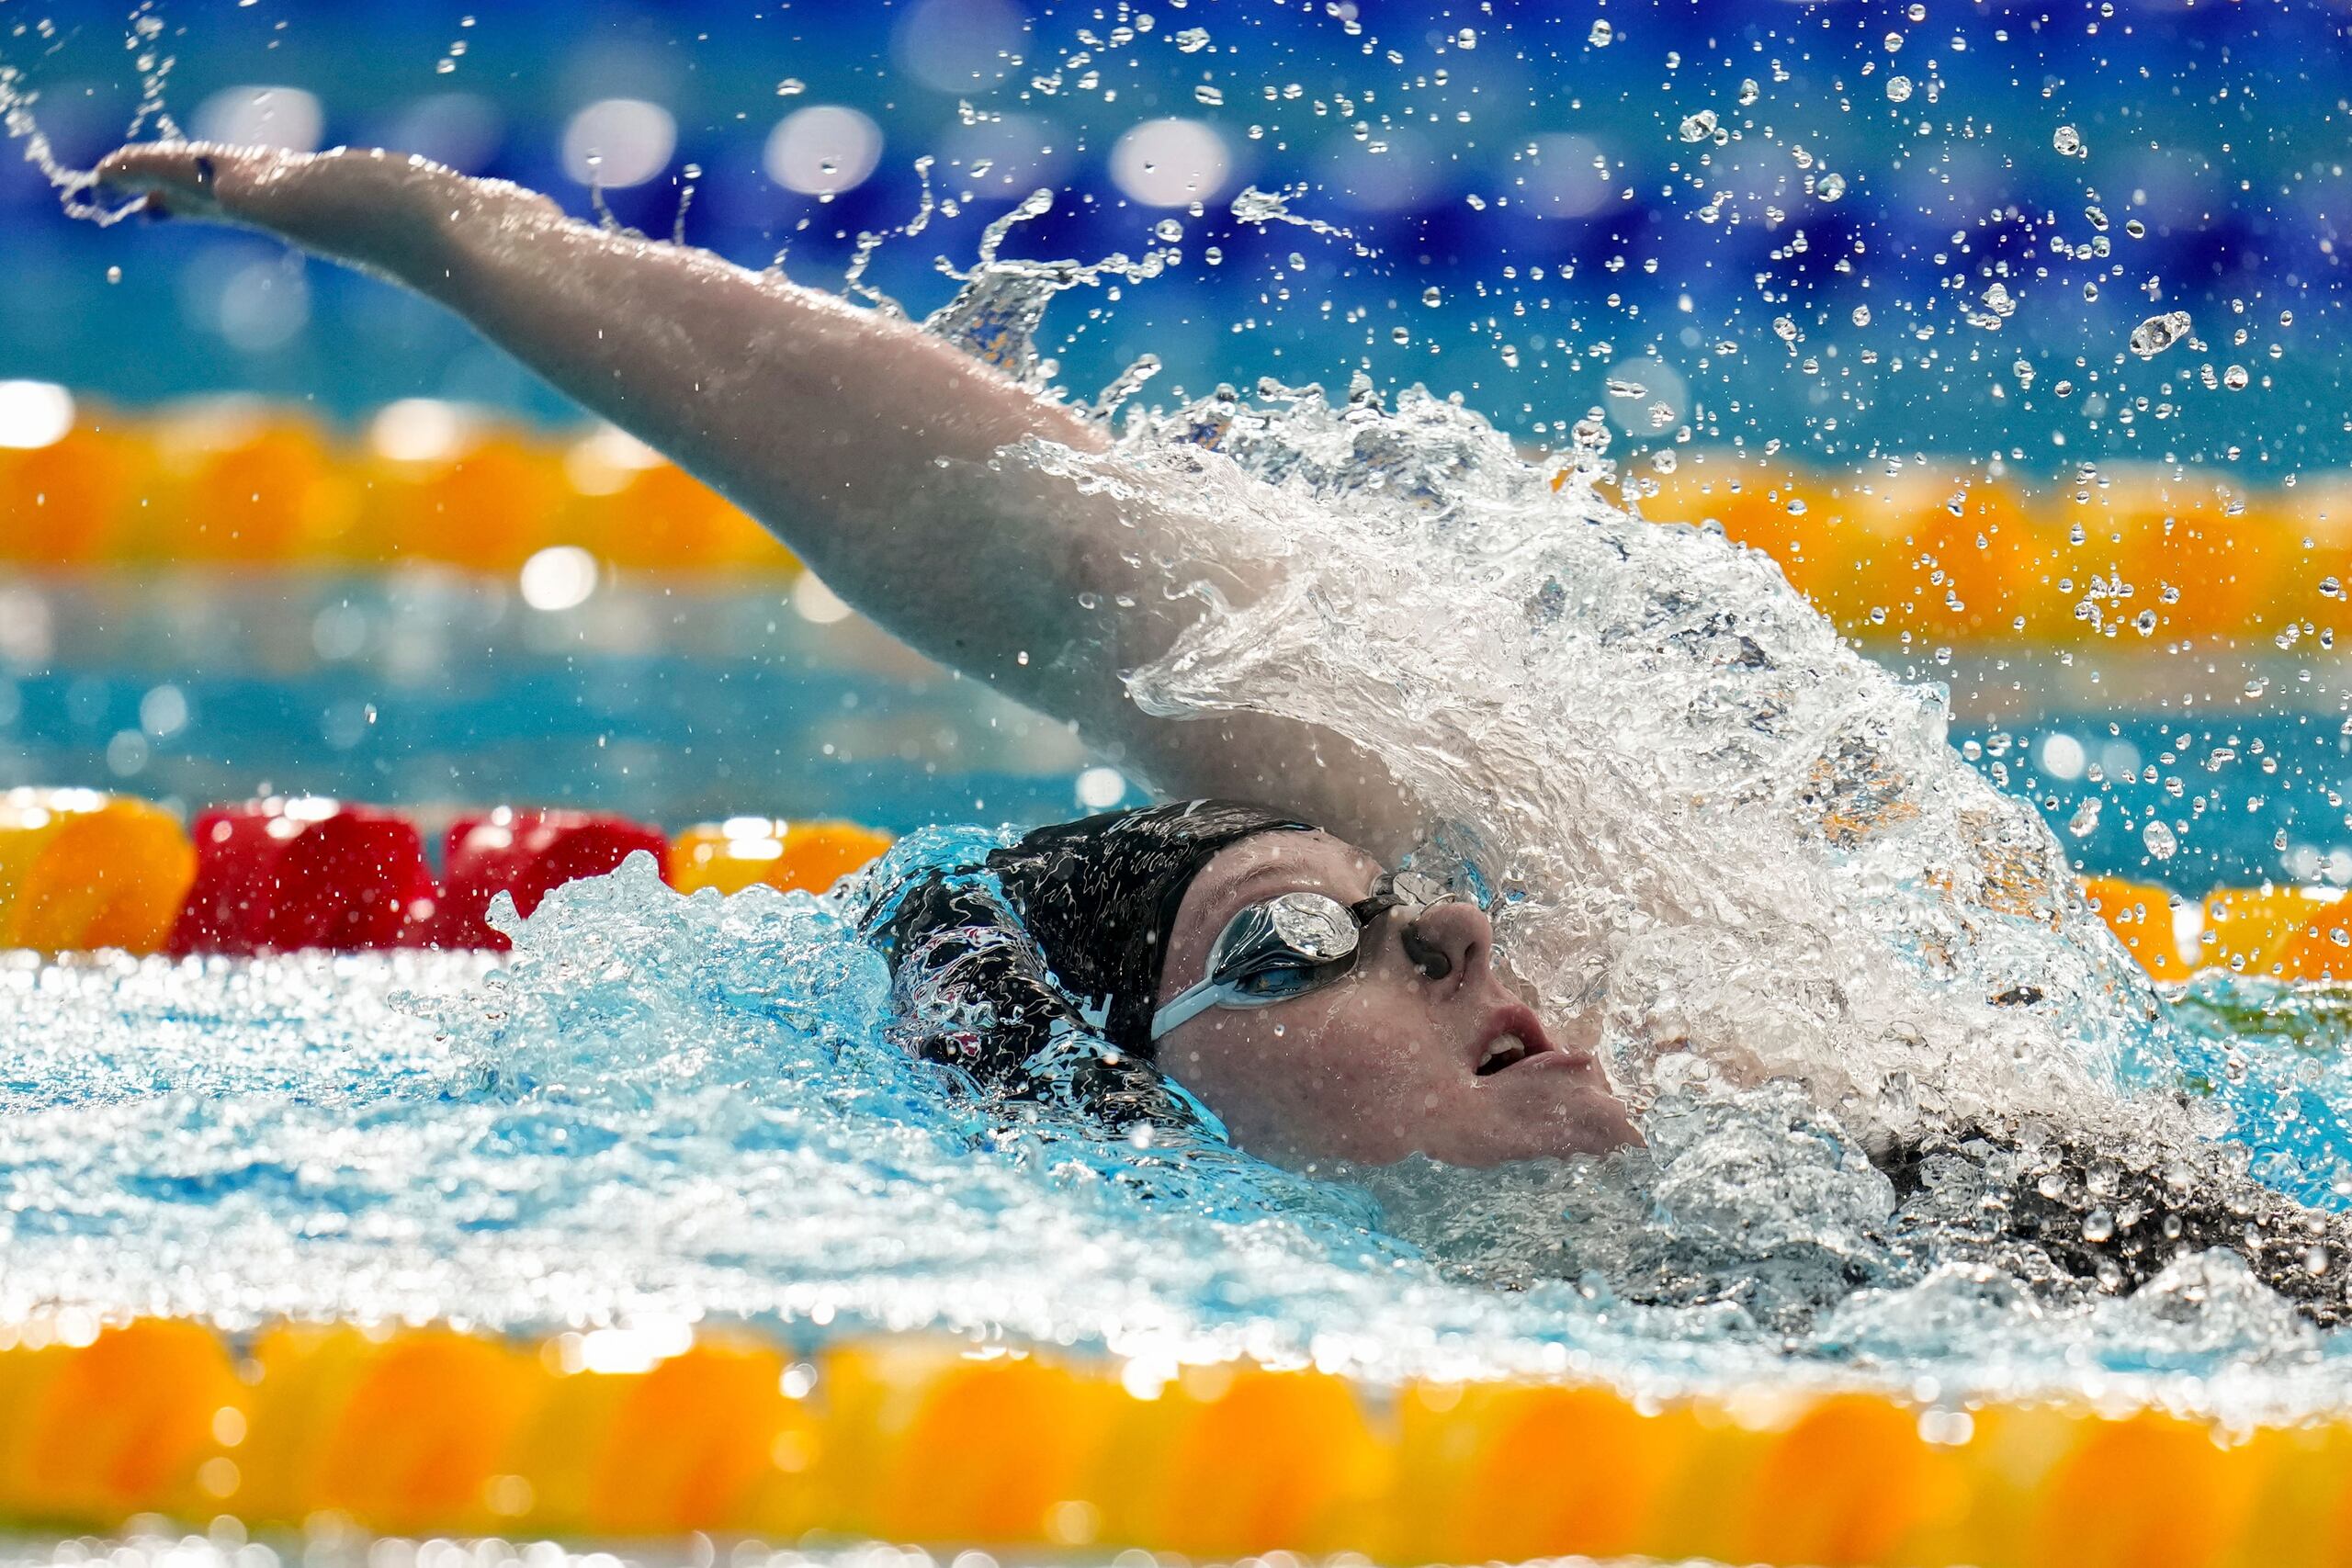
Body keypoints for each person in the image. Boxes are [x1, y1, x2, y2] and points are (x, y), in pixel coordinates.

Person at [88, 140, 2352, 1324]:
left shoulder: (1896, 1154)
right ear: (1120, 1116)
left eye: (1432, 918)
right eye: (1297, 950)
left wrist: (449, 229)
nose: (1475, 953)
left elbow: (1060, 550)